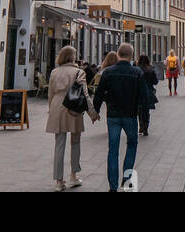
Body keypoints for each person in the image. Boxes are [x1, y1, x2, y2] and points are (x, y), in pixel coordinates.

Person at [92, 43, 150, 191]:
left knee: (113, 150)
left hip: (113, 116)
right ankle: (126, 180)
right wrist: (142, 116)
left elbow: (98, 94)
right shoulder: (137, 73)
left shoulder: (108, 72)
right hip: (130, 116)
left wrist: (95, 112)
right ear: (131, 55)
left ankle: (113, 186)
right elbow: (145, 97)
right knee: (131, 145)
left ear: (118, 54)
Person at [46, 46, 96, 191]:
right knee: (75, 143)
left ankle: (59, 181)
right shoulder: (79, 72)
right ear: (73, 57)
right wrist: (92, 113)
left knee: (59, 145)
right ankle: (74, 176)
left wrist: (51, 109)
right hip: (73, 107)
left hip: (57, 106)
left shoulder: (54, 72)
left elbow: (50, 93)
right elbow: (85, 94)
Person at [136, 54, 158, 135]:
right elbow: (155, 82)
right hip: (148, 92)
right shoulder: (151, 70)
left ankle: (141, 126)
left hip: (138, 93)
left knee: (139, 110)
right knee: (146, 111)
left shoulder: (136, 70)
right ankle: (145, 127)